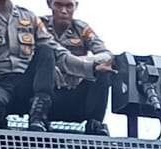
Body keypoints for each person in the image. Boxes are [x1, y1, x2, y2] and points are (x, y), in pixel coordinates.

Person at [0, 0, 107, 130]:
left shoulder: (29, 17)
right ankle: (1, 137)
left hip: (26, 83)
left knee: (46, 50)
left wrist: (91, 68)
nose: (64, 10)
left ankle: (38, 118)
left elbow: (59, 53)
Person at [41, 0, 113, 135]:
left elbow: (107, 56)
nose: (64, 10)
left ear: (75, 6)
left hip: (75, 94)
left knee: (104, 71)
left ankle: (95, 123)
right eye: (59, 5)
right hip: (49, 93)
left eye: (68, 6)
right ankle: (39, 118)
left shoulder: (81, 29)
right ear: (50, 4)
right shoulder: (39, 25)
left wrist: (80, 64)